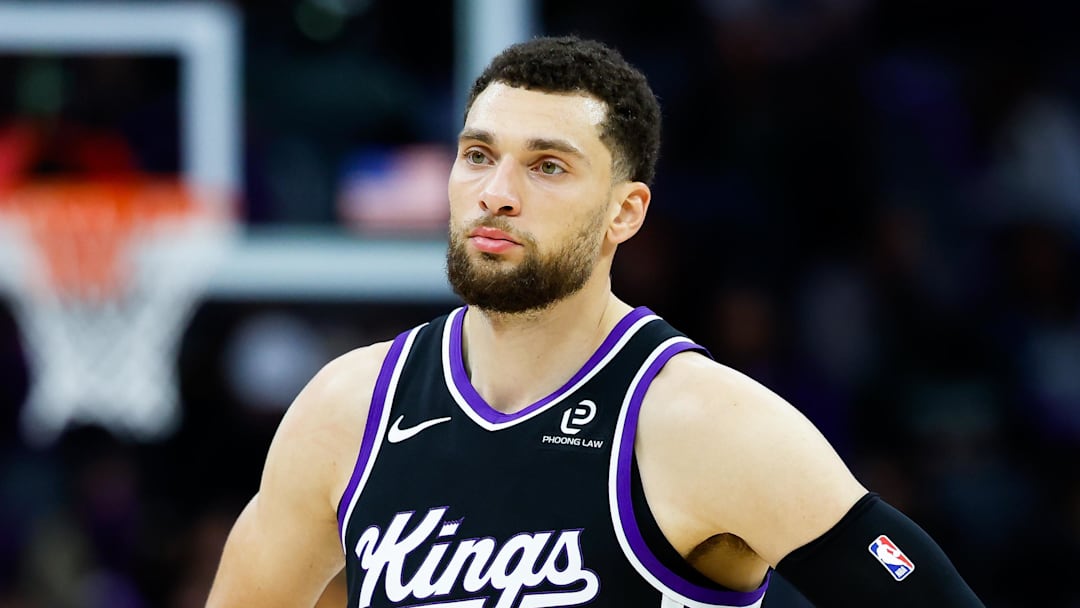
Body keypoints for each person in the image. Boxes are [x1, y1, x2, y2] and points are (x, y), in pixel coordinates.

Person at [205, 35, 985, 608]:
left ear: (625, 211)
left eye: (547, 166)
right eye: (478, 155)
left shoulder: (703, 422)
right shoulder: (347, 409)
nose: (497, 192)